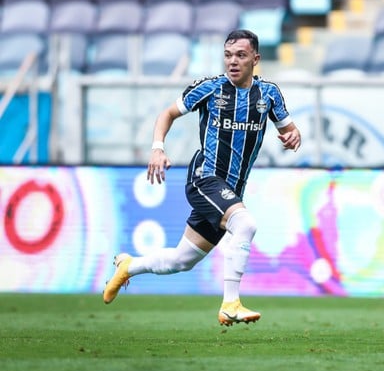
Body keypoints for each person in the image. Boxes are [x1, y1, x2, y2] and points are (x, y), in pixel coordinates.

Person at [103, 29, 302, 326]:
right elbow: (167, 114)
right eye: (228, 55)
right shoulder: (209, 89)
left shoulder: (269, 94)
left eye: (241, 55)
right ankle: (230, 304)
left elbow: (288, 128)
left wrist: (293, 134)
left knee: (181, 260)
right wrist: (157, 148)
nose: (232, 61)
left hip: (231, 190)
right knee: (245, 224)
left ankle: (129, 265)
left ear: (255, 59)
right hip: (204, 178)